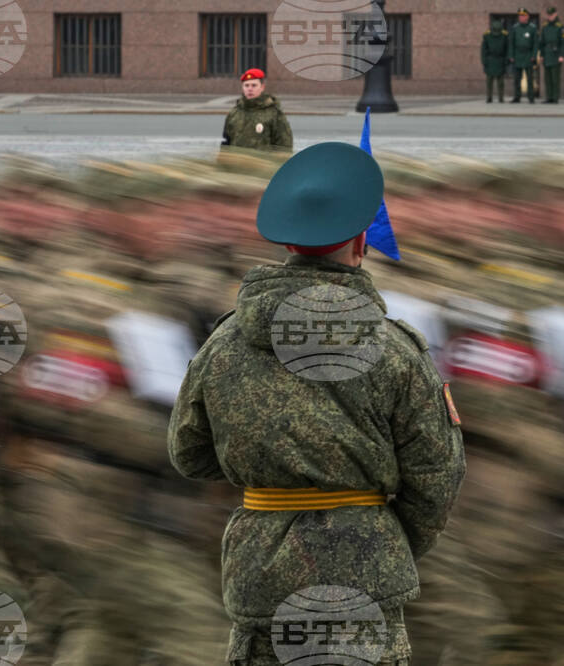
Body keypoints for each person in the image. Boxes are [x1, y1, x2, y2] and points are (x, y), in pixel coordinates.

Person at [168, 141, 466, 666]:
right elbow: (437, 476)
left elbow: (189, 453)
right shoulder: (395, 348)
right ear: (360, 243)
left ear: (286, 241)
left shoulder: (225, 343)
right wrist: (379, 540)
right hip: (364, 583)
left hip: (262, 577)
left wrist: (272, 469)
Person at [221, 68, 293, 153]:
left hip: (264, 164)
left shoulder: (274, 113)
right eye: (246, 85)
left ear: (262, 87)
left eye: (254, 85)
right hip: (237, 164)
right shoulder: (234, 113)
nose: (250, 89)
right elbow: (226, 143)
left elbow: (284, 146)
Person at [509, 8, 539, 104]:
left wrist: (534, 55)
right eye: (520, 16)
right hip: (517, 55)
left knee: (530, 78)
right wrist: (511, 55)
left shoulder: (532, 28)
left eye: (523, 15)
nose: (521, 17)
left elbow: (535, 43)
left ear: (527, 16)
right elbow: (511, 43)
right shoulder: (515, 28)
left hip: (528, 55)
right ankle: (517, 97)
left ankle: (531, 97)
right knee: (517, 78)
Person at [539, 7, 564, 104]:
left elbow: (563, 42)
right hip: (547, 54)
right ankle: (549, 97)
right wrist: (542, 54)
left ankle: (555, 98)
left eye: (551, 15)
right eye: (548, 15)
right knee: (547, 78)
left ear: (555, 14)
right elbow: (542, 42)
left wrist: (562, 55)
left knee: (555, 77)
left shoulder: (560, 27)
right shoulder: (545, 26)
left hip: (556, 54)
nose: (550, 17)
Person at [481, 17, 510, 103]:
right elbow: (483, 50)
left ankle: (501, 98)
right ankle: (489, 97)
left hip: (500, 60)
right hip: (490, 60)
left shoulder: (504, 36)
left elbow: (507, 49)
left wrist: (506, 60)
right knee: (489, 81)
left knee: (500, 82)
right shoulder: (487, 36)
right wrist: (484, 61)